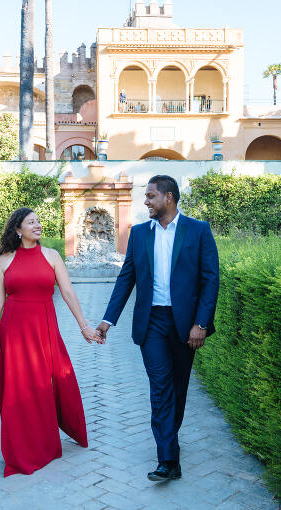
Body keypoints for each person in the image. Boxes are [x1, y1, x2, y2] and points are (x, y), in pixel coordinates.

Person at [96, 175, 220, 482]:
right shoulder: (139, 234)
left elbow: (210, 279)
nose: (146, 201)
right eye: (146, 196)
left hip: (185, 324)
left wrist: (201, 323)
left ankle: (169, 437)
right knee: (161, 388)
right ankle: (168, 459)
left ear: (169, 197)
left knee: (178, 388)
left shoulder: (198, 230)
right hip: (151, 322)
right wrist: (107, 320)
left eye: (151, 196)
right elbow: (126, 279)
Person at [0, 207, 103, 477]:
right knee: (16, 390)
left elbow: (68, 291)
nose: (37, 225)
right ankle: (19, 451)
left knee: (45, 387)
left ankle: (46, 445)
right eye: (31, 222)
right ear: (17, 229)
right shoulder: (4, 259)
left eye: (38, 221)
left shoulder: (51, 256)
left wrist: (83, 325)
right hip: (13, 332)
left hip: (44, 330)